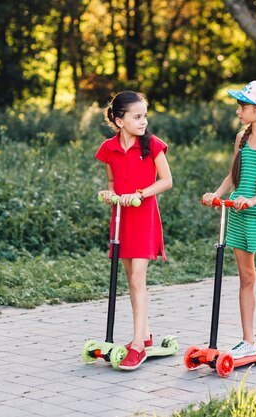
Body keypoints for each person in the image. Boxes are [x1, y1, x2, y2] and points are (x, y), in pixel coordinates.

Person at [201, 81, 256, 369]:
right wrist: (216, 194)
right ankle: (247, 339)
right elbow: (232, 176)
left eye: (243, 106)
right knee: (246, 279)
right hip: (238, 217)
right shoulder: (241, 138)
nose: (239, 110)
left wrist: (253, 201)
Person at [96, 91, 172, 370]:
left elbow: (166, 181)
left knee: (138, 278)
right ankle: (147, 335)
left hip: (143, 216)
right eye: (137, 117)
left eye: (145, 116)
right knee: (130, 277)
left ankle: (138, 344)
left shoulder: (152, 145)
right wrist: (110, 193)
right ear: (119, 120)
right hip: (121, 217)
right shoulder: (108, 148)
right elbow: (113, 182)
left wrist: (140, 193)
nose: (143, 121)